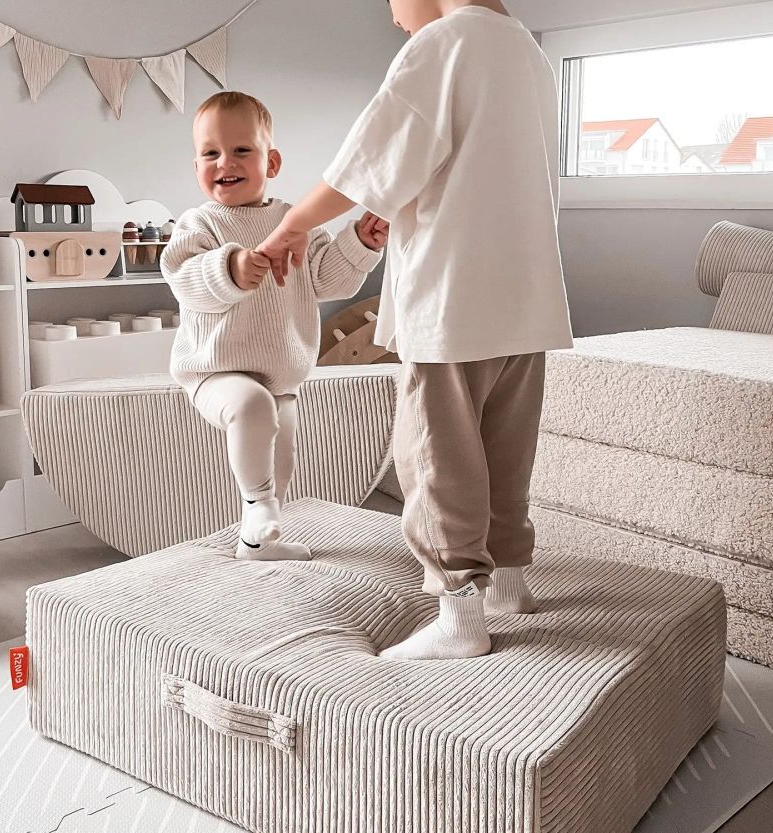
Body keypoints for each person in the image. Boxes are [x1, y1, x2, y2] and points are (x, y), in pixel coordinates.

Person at [259, 0, 573, 660]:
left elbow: (369, 161)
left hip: (453, 299)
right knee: (504, 449)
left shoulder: (443, 45)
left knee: (436, 457)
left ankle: (459, 615)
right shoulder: (530, 52)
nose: (394, 15)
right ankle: (508, 583)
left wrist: (293, 224)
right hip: (526, 297)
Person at [162, 91, 389, 560]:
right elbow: (184, 279)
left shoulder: (294, 220)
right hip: (215, 371)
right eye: (210, 153)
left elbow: (326, 279)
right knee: (251, 408)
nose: (225, 162)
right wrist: (231, 268)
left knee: (280, 460)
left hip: (281, 377)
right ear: (196, 166)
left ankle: (257, 541)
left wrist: (360, 243)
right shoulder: (198, 224)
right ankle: (258, 507)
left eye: (241, 150)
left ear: (272, 162)